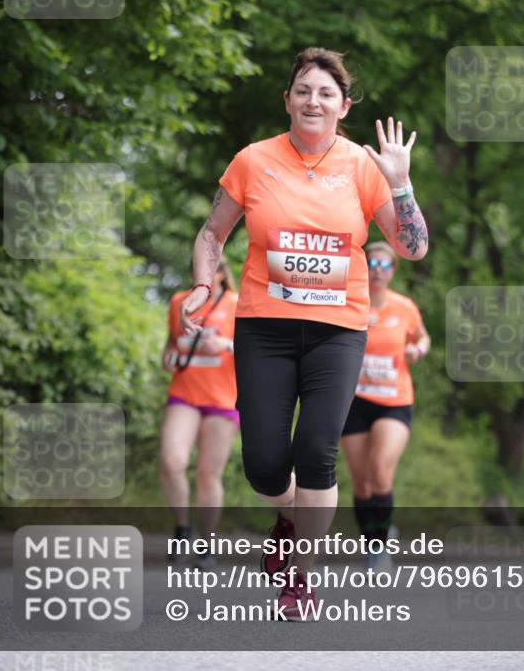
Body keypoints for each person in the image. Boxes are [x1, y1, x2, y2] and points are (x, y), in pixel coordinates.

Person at [180, 47, 428, 619]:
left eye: (325, 93)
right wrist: (200, 284)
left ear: (343, 107)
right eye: (302, 91)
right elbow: (211, 235)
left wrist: (402, 185)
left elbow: (411, 247)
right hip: (263, 327)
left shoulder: (364, 168)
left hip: (338, 330)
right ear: (287, 101)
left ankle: (303, 576)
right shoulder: (253, 160)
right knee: (264, 463)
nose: (313, 100)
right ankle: (288, 516)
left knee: (317, 453)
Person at [341, 240, 430, 568]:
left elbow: (422, 337)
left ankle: (379, 546)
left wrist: (417, 350)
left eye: (384, 266)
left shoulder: (404, 307)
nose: (377, 272)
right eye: (372, 266)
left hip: (394, 401)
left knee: (380, 471)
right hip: (353, 401)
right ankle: (370, 538)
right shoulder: (350, 303)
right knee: (361, 478)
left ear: (393, 271)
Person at [160, 259, 239, 569]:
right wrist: (167, 356)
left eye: (207, 270)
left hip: (222, 398)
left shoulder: (235, 303)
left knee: (208, 474)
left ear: (220, 273)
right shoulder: (179, 301)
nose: (200, 275)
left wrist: (226, 344)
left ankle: (207, 546)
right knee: (171, 461)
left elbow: (254, 347)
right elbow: (171, 343)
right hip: (185, 392)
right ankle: (183, 528)